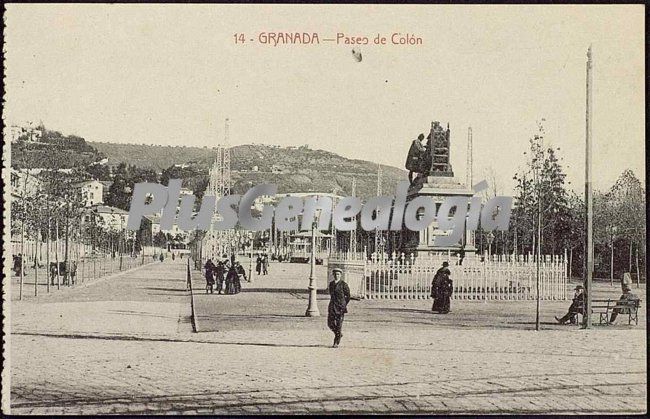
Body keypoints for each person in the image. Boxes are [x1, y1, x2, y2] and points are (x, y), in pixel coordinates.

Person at [328, 268, 351, 348]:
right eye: (335, 274)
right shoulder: (331, 284)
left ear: (341, 275)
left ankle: (336, 342)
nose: (336, 276)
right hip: (332, 306)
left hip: (340, 307)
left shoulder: (343, 284)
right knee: (330, 323)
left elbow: (348, 296)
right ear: (333, 275)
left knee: (339, 325)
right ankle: (339, 334)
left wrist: (343, 304)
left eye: (338, 274)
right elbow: (331, 294)